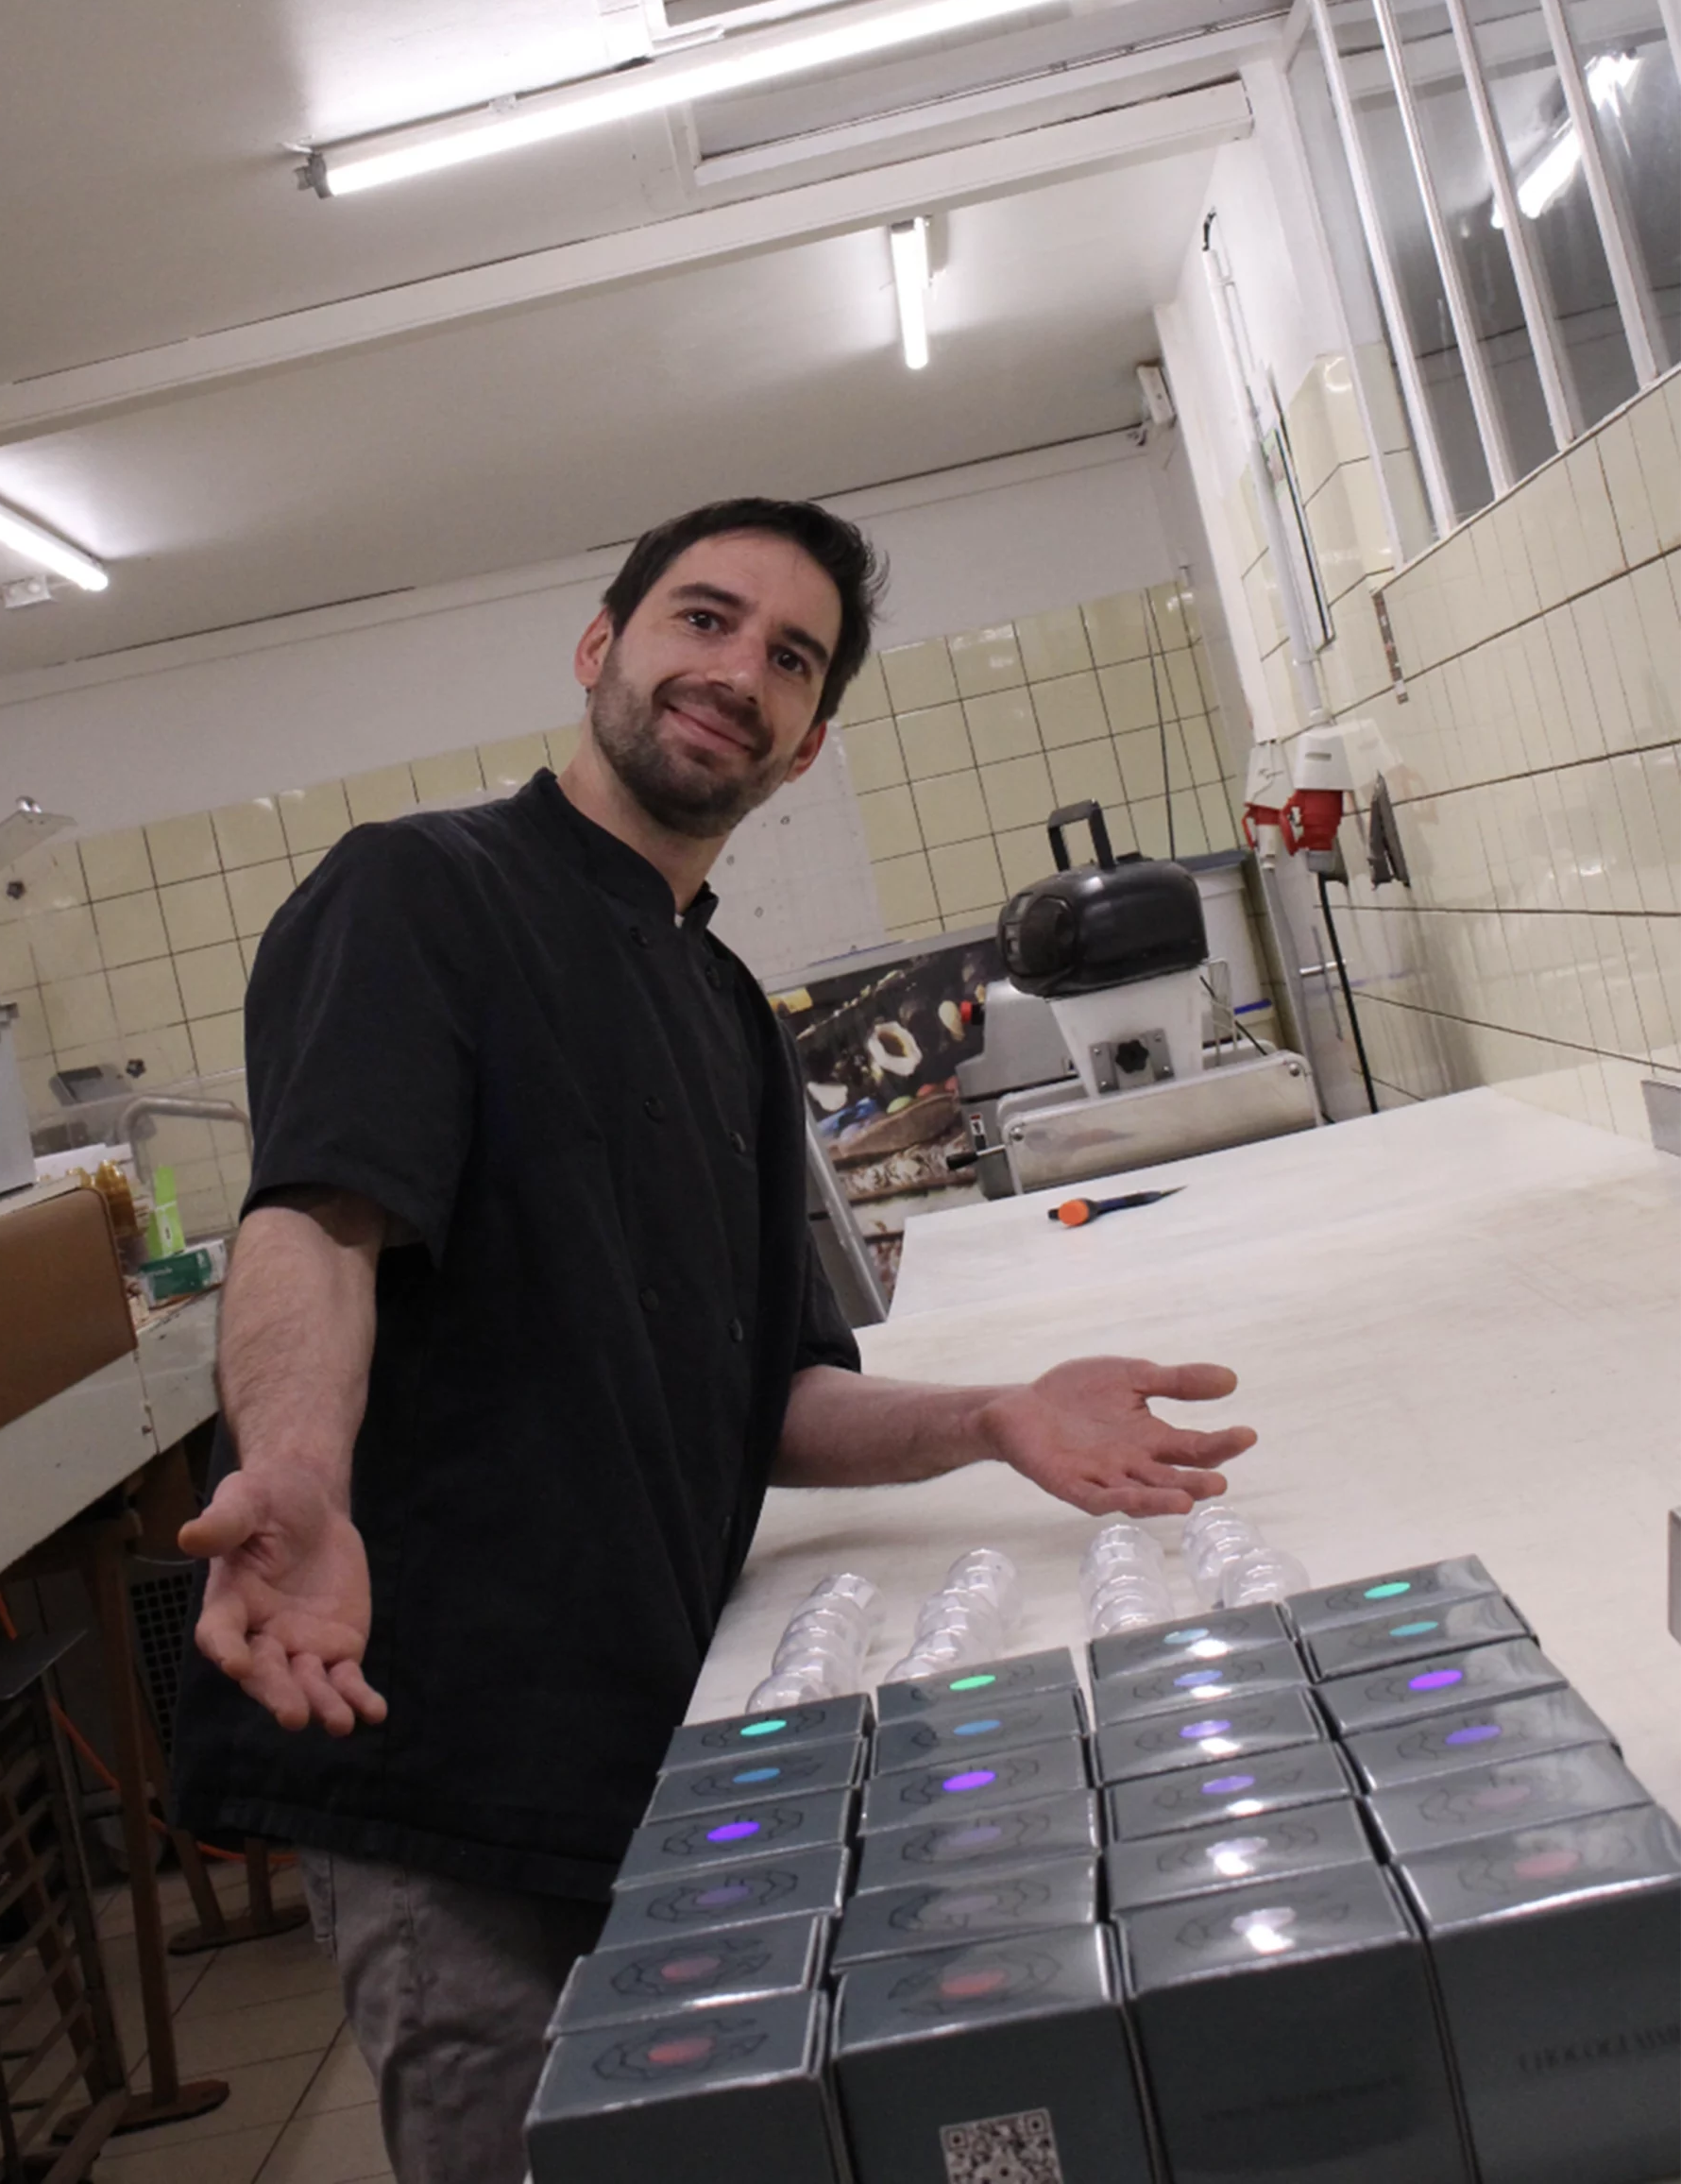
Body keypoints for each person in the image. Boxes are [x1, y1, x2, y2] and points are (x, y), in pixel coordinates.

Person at [171, 496, 1254, 2184]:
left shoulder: (724, 1016)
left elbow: (774, 1399)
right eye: (702, 618)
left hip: (670, 1735)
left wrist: (992, 1416)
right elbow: (319, 1218)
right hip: (444, 1745)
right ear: (600, 648)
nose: (737, 670)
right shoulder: (419, 893)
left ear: (805, 745)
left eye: (790, 658)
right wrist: (299, 1466)